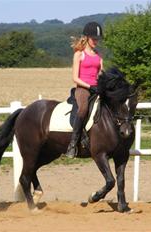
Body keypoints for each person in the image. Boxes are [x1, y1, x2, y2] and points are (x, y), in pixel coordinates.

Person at [65, 21, 104, 158]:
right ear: (87, 37)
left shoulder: (98, 55)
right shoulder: (79, 54)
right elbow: (75, 78)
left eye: (97, 39)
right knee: (83, 109)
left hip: (97, 89)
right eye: (94, 39)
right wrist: (90, 86)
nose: (96, 41)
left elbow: (101, 73)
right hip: (83, 89)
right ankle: (73, 143)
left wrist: (102, 85)